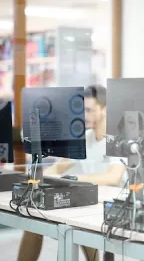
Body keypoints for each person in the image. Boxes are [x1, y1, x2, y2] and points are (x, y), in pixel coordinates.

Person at [17, 85, 124, 261]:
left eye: (90, 110)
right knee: (33, 222)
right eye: (82, 110)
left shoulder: (118, 140)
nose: (84, 116)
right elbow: (60, 167)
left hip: (108, 207)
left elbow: (113, 177)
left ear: (105, 109)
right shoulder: (86, 137)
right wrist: (41, 179)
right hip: (86, 201)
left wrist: (73, 179)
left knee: (77, 227)